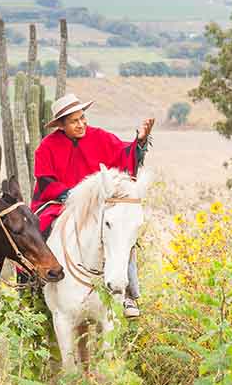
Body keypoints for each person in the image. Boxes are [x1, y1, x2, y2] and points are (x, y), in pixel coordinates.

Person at [31, 93, 154, 318]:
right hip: (61, 202)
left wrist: (141, 141)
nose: (81, 124)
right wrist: (72, 196)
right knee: (37, 230)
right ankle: (31, 286)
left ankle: (128, 293)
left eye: (82, 118)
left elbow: (124, 154)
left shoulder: (100, 137)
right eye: (74, 121)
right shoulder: (47, 147)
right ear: (61, 125)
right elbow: (46, 181)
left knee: (120, 233)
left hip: (98, 203)